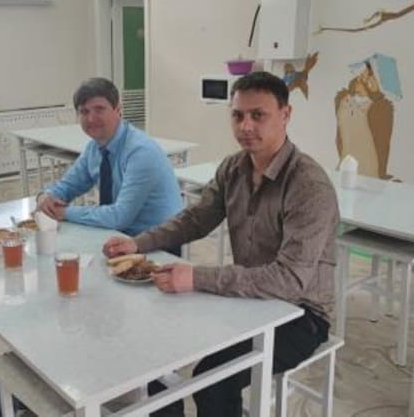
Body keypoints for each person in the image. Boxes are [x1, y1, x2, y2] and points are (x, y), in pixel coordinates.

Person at [103, 71, 338, 417]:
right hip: (246, 299)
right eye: (237, 115)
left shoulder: (308, 185)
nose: (246, 126)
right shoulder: (234, 168)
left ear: (285, 115)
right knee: (152, 346)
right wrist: (138, 244)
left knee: (213, 380)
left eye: (258, 115)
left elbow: (289, 280)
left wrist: (196, 277)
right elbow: (195, 219)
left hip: (300, 314)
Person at [37, 77, 183, 244]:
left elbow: (119, 217)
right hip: (121, 236)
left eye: (99, 109)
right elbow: (68, 186)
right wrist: (46, 197)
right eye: (84, 112)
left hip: (156, 242)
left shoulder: (141, 152)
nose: (91, 119)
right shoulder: (94, 148)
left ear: (118, 109)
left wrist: (65, 212)